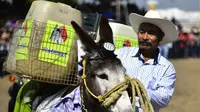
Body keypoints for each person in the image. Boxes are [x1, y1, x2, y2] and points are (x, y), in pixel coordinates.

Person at [114, 10, 178, 112]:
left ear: (160, 37)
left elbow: (164, 99)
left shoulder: (166, 68)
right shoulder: (121, 54)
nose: (145, 37)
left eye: (151, 33)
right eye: (142, 32)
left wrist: (139, 90)